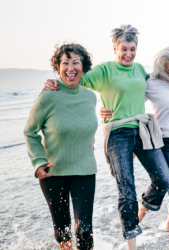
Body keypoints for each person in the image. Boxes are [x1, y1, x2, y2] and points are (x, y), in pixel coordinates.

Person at [43, 25, 169, 250]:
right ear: (114, 48)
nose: (128, 54)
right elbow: (74, 81)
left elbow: (151, 91)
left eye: (132, 49)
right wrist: (53, 83)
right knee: (126, 187)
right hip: (118, 133)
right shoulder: (104, 70)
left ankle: (143, 208)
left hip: (142, 129)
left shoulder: (140, 69)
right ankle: (131, 243)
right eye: (123, 49)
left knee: (163, 179)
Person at [101, 44, 169, 250]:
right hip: (166, 143)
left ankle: (157, 208)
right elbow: (131, 97)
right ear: (163, 66)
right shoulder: (151, 83)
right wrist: (106, 110)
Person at [24, 43, 97, 250]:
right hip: (53, 173)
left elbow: (85, 126)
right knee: (63, 230)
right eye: (65, 63)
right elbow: (30, 131)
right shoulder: (48, 96)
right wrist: (38, 162)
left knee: (84, 229)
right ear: (58, 67)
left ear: (84, 67)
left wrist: (88, 143)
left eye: (76, 62)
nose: (70, 68)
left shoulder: (90, 97)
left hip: (85, 170)